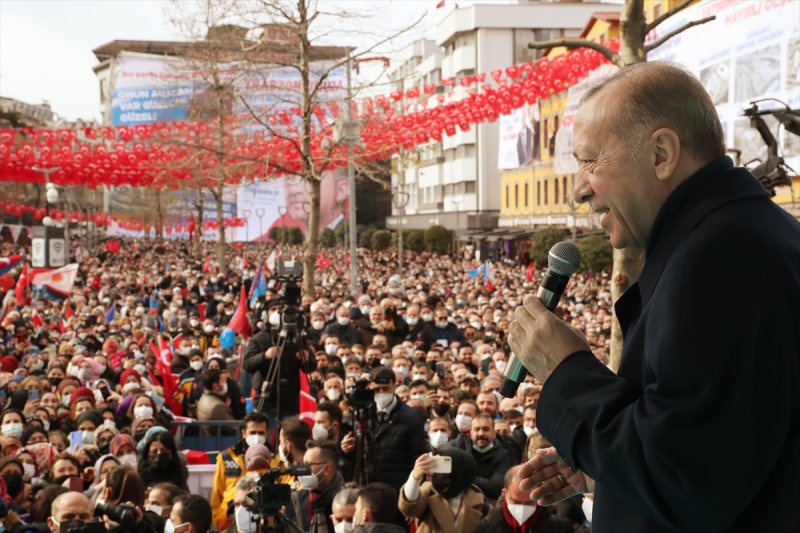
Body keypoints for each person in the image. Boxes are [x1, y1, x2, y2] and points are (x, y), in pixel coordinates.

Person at [509, 62, 800, 532]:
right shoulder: (752, 233)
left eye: (589, 161)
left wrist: (567, 371)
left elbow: (686, 478)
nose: (579, 189)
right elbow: (732, 456)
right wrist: (607, 471)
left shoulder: (715, 260)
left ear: (661, 153)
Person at [340, 367, 426, 489]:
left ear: (394, 386)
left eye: (385, 389)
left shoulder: (411, 417)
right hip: (366, 484)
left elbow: (418, 455)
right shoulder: (361, 414)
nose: (381, 392)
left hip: (397, 486)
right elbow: (353, 456)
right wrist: (346, 449)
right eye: (376, 389)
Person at [399, 447, 488, 533]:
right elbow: (410, 507)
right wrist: (414, 478)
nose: (440, 473)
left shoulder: (478, 500)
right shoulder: (429, 491)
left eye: (445, 467)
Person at [210, 412, 269, 531]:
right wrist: (216, 523)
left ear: (266, 433)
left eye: (261, 433)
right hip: (228, 519)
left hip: (262, 520)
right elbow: (217, 494)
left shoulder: (275, 459)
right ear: (243, 433)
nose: (257, 436)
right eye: (252, 432)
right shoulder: (226, 457)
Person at [476, 465, 572, 533]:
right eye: (516, 502)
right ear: (505, 493)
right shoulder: (487, 526)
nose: (522, 508)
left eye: (529, 503)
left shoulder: (560, 528)